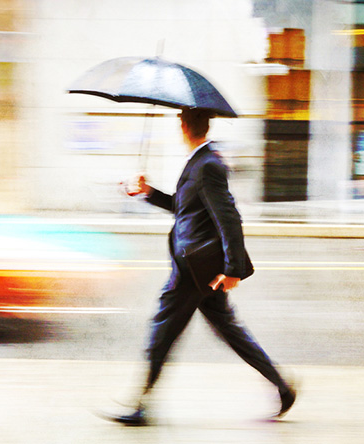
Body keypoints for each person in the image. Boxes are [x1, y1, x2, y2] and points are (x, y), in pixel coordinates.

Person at [106, 108, 296, 426]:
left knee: (162, 331)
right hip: (200, 267)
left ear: (183, 125)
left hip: (193, 270)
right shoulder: (200, 160)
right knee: (230, 331)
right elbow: (183, 208)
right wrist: (148, 192)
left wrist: (234, 269)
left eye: (178, 122)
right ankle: (283, 387)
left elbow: (229, 218)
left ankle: (140, 404)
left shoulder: (208, 164)